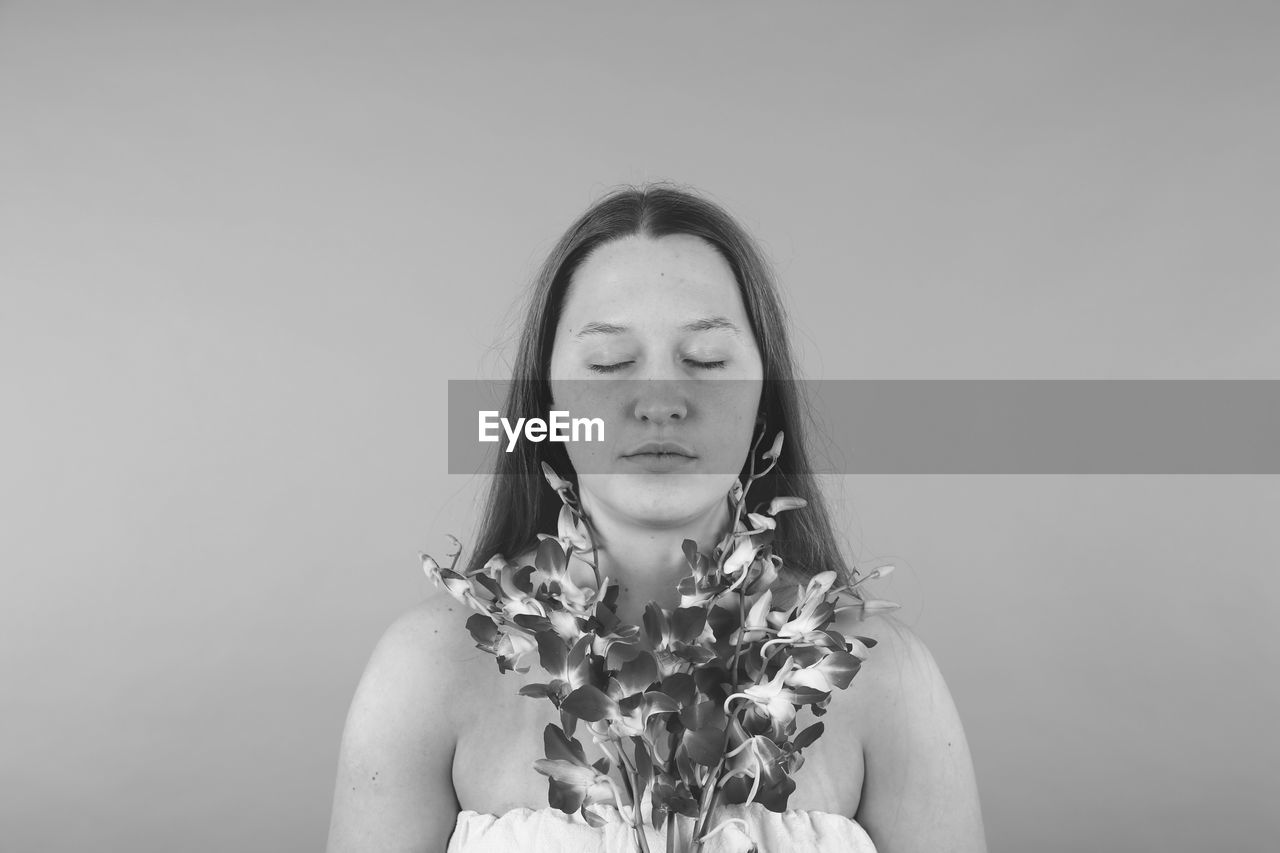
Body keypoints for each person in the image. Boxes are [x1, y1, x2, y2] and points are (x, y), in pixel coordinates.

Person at [325, 185, 988, 852]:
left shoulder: (890, 679)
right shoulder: (427, 669)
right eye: (610, 362)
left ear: (764, 398)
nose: (660, 401)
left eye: (706, 361)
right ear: (546, 402)